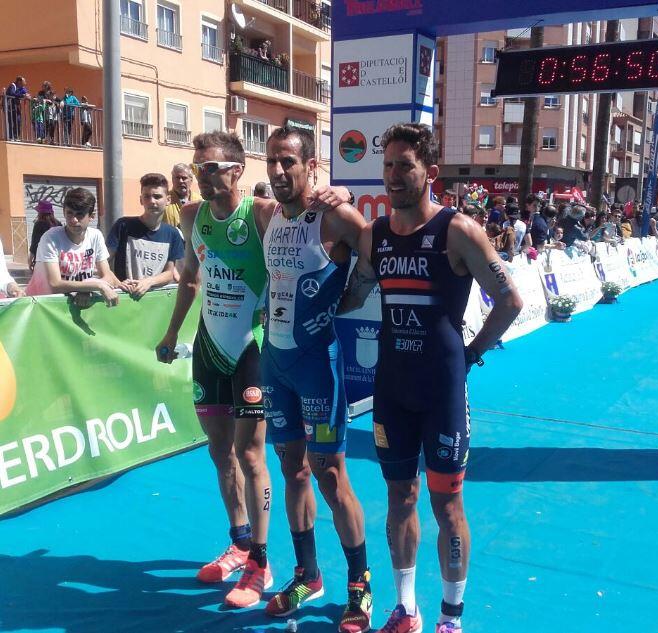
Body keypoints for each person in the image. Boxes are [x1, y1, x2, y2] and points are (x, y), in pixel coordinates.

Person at [338, 123, 523, 633]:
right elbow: (355, 293)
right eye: (389, 165)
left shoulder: (458, 231)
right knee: (400, 498)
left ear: (431, 174)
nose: (393, 176)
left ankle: (451, 617)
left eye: (405, 166)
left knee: (447, 505)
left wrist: (472, 354)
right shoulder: (375, 236)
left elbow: (511, 300)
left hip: (442, 392)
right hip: (392, 392)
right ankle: (406, 608)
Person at [155, 131, 348, 609]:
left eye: (209, 167)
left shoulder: (261, 214)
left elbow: (313, 218)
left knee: (251, 455)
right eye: (196, 166)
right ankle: (240, 542)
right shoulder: (192, 216)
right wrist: (170, 333)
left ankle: (262, 561)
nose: (199, 175)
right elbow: (190, 279)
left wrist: (338, 193)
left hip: (254, 348)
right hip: (208, 346)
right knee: (219, 453)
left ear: (236, 171)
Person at [259, 126, 372, 631]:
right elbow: (212, 204)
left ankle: (359, 584)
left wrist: (354, 295)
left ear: (309, 164)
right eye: (273, 162)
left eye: (289, 162)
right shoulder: (264, 214)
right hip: (275, 364)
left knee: (330, 475)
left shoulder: (334, 216)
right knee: (292, 471)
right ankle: (308, 574)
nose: (280, 171)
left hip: (317, 368)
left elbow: (375, 244)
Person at [25, 188, 121, 305]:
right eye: (69, 213)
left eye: (80, 214)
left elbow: (107, 276)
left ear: (91, 216)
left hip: (71, 304)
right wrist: (94, 285)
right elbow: (55, 284)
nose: (73, 220)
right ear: (64, 212)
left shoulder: (96, 236)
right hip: (43, 305)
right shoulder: (51, 237)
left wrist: (87, 289)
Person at [106, 173, 184, 297]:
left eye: (157, 196)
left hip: (153, 303)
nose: (152, 201)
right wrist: (117, 283)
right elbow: (103, 263)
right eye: (147, 196)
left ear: (168, 200)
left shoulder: (172, 234)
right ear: (141, 200)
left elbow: (169, 273)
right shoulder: (123, 225)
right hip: (124, 298)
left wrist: (148, 282)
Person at [28, 200, 62, 271]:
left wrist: (30, 260)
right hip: (57, 260)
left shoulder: (39, 224)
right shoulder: (58, 224)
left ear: (40, 212)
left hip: (42, 260)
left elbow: (35, 244)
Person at [164, 163, 200, 228]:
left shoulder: (199, 201)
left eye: (184, 178)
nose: (180, 181)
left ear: (191, 180)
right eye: (177, 178)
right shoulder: (164, 200)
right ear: (172, 179)